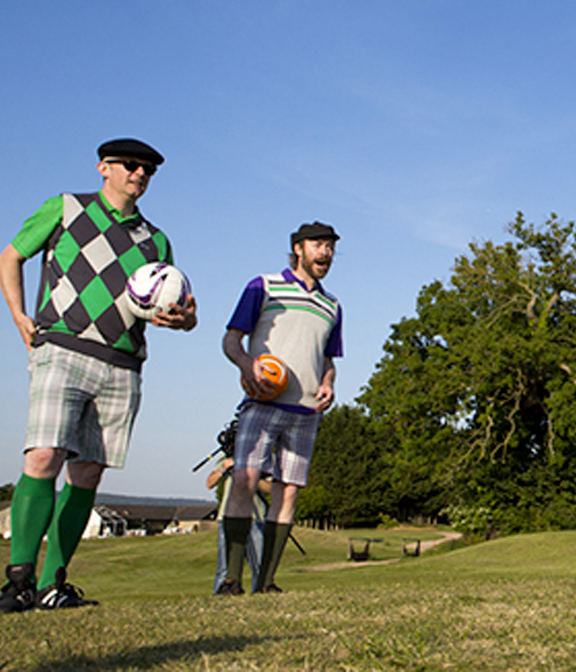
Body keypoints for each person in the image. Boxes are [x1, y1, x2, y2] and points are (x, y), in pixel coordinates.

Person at [0, 139, 197, 614]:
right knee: (44, 456)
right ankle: (19, 581)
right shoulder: (65, 208)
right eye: (130, 165)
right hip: (62, 349)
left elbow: (174, 308)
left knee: (87, 472)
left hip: (122, 364)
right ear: (103, 167)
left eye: (148, 169)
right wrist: (19, 315)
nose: (140, 173)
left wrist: (184, 320)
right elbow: (10, 257)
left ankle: (52, 585)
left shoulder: (156, 241)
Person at [217, 221, 342, 595]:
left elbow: (328, 360)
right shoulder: (264, 286)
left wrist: (328, 383)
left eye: (330, 247)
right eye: (318, 245)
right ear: (298, 248)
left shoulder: (332, 306)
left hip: (306, 412)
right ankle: (231, 580)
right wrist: (246, 365)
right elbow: (231, 340)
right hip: (262, 401)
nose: (325, 252)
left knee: (288, 493)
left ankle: (266, 582)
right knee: (244, 481)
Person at [205, 445, 271, 594]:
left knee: (259, 563)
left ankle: (261, 592)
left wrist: (250, 475)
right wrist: (223, 469)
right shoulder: (227, 457)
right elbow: (210, 483)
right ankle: (223, 593)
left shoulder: (263, 456)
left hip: (255, 516)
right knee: (224, 565)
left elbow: (270, 488)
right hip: (228, 515)